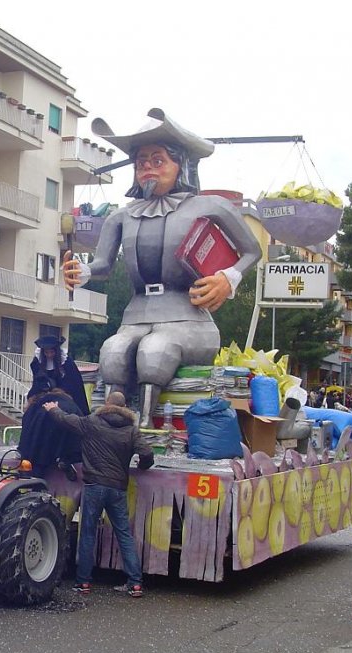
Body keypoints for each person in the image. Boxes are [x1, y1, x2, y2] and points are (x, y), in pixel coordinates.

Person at [62, 108, 261, 427]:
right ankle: (109, 426)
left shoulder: (209, 206)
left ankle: (144, 427)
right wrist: (82, 272)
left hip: (189, 318)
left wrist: (228, 278)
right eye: (141, 163)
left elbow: (252, 250)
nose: (148, 170)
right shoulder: (121, 216)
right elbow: (102, 265)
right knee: (113, 351)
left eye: (158, 161)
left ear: (180, 164)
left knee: (155, 352)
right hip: (137, 315)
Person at [43, 391, 154, 597]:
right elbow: (147, 453)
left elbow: (67, 420)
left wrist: (53, 409)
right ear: (125, 407)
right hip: (118, 488)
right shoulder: (131, 430)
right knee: (124, 535)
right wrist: (144, 465)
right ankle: (135, 583)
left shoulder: (92, 422)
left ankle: (83, 582)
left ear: (107, 403)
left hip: (94, 485)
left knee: (87, 534)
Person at [18, 375, 83, 480]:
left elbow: (26, 429)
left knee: (36, 472)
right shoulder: (70, 404)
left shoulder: (36, 405)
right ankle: (65, 461)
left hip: (36, 452)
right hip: (61, 442)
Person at [28, 335, 91, 416]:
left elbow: (74, 384)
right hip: (43, 392)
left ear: (56, 351)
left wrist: (59, 391)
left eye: (52, 352)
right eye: (46, 352)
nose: (49, 355)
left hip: (64, 392)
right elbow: (37, 381)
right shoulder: (37, 363)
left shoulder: (67, 363)